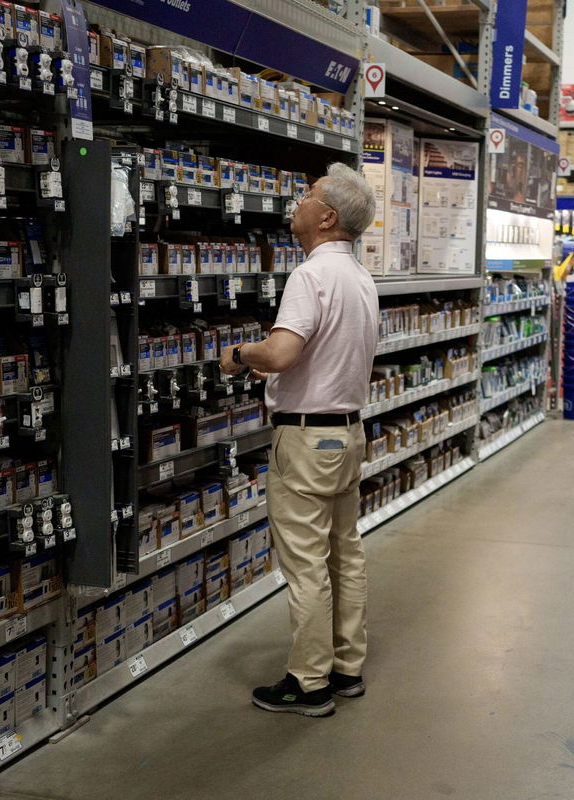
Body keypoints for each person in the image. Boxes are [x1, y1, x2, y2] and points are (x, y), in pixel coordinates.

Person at [219, 162, 378, 717]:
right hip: (349, 433)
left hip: (307, 441)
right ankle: (345, 666)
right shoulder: (360, 278)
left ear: (327, 216)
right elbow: (328, 356)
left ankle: (308, 684)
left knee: (307, 565)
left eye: (307, 196)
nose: (298, 202)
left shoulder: (310, 276)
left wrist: (241, 356)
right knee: (345, 553)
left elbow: (283, 352)